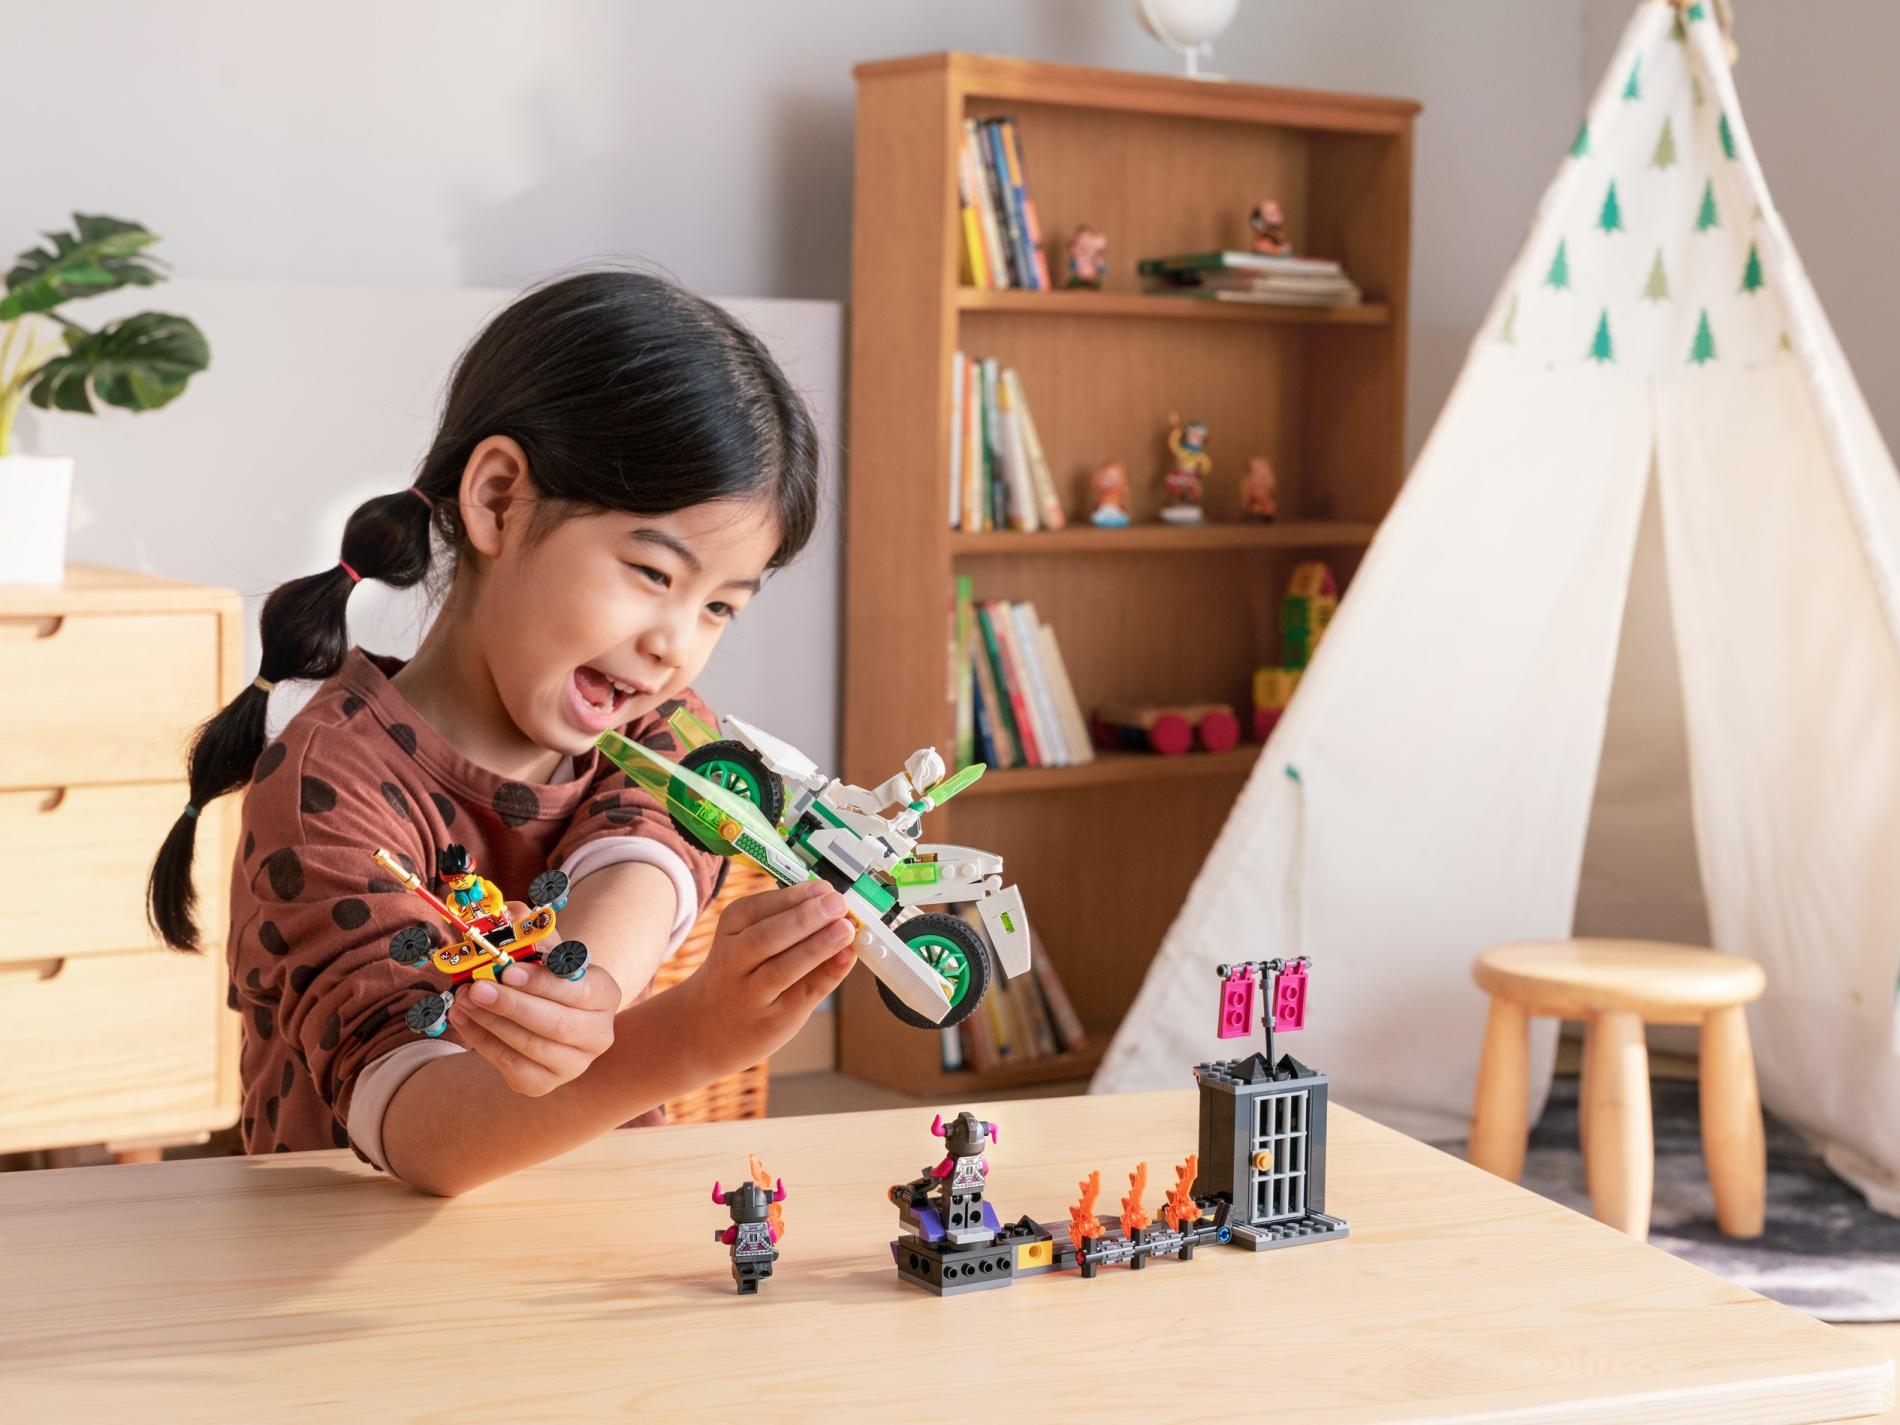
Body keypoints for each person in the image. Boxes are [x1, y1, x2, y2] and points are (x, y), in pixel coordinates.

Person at [146, 269, 856, 1195]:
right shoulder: (325, 785)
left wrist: (589, 991)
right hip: (350, 1250)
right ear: (497, 500)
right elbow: (423, 1130)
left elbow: (641, 860)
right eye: (653, 573)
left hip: (590, 1236)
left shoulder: (666, 730)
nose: (675, 644)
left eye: (720, 605)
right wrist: (691, 1035)